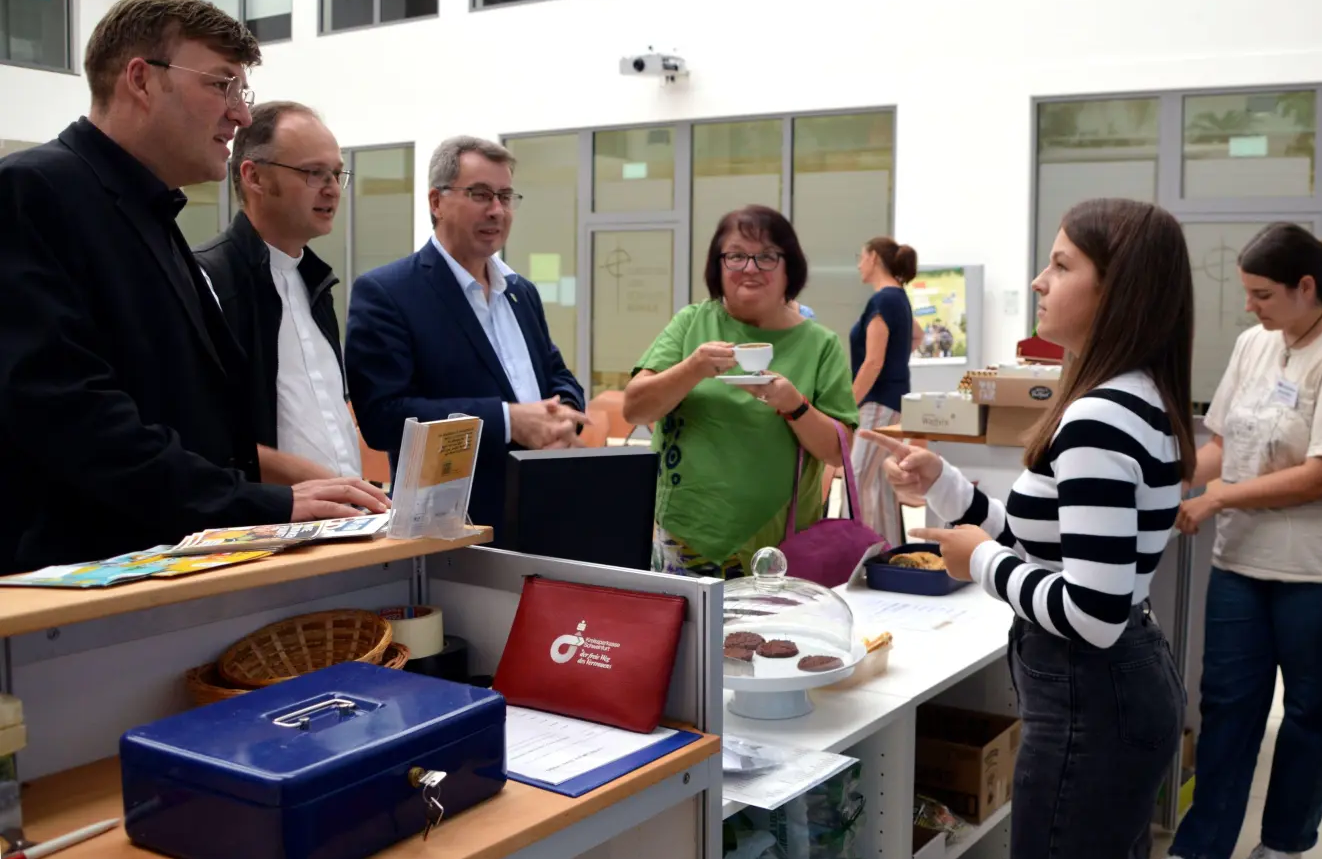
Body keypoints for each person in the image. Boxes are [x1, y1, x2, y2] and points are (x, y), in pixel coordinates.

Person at [0, 0, 386, 574]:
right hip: (74, 591)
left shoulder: (154, 218)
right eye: (220, 85)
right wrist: (260, 504)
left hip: (171, 573)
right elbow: (69, 414)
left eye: (241, 92)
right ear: (141, 79)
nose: (241, 115)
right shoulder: (32, 193)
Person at [863, 197, 1194, 859]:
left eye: (1061, 265)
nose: (1040, 281)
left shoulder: (1100, 417)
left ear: (1116, 289)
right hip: (1113, 692)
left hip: (1092, 701)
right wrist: (947, 487)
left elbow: (1092, 611)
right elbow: (1041, 540)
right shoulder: (1129, 395)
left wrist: (978, 561)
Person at [1165, 224, 1322, 859]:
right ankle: (1200, 846)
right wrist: (1167, 480)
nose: (1250, 306)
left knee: (1310, 712)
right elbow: (1220, 447)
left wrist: (1216, 500)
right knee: (1228, 706)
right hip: (1243, 561)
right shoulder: (1253, 344)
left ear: (1307, 287)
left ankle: (1284, 843)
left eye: (1262, 293)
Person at [345, 136, 588, 539]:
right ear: (436, 202)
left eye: (506, 196)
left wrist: (563, 416)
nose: (497, 210)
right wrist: (509, 422)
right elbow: (383, 418)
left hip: (545, 507)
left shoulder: (519, 291)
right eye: (480, 194)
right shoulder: (388, 292)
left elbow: (556, 374)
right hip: (454, 530)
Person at [623, 205, 857, 579]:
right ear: (718, 266)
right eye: (736, 256)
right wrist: (693, 368)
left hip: (780, 547)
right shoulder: (692, 323)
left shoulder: (819, 344)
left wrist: (793, 405)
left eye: (766, 257)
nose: (750, 268)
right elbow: (635, 409)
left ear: (789, 268)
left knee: (770, 639)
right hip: (687, 537)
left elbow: (837, 450)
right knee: (687, 636)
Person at [196, 101, 364, 485]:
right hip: (261, 532)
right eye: (314, 173)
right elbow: (196, 434)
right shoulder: (208, 280)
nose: (332, 189)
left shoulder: (316, 281)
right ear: (254, 177)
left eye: (338, 174)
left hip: (344, 528)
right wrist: (302, 479)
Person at [848, 236, 918, 545]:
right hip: (894, 400)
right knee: (879, 485)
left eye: (861, 256)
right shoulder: (899, 297)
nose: (859, 264)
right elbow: (916, 335)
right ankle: (888, 554)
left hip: (876, 402)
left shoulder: (882, 300)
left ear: (874, 257)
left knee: (857, 478)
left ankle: (854, 553)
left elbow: (873, 361)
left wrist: (847, 404)